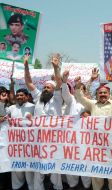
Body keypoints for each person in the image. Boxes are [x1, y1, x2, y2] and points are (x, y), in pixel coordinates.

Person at [75, 70, 112, 190]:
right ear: (97, 95)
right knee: (96, 173)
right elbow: (79, 97)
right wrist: (90, 81)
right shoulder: (92, 104)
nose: (102, 94)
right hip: (95, 145)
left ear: (109, 94)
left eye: (105, 93)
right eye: (100, 93)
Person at [23, 54, 63, 190]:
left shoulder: (57, 98)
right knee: (38, 168)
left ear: (53, 90)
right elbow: (28, 82)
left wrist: (56, 67)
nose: (45, 89)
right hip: (38, 139)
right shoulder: (39, 97)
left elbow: (59, 82)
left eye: (48, 87)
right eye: (44, 87)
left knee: (54, 169)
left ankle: (58, 187)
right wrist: (26, 66)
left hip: (54, 140)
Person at [5, 88, 35, 190]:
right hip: (15, 144)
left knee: (29, 167)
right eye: (17, 95)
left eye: (21, 95)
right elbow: (3, 115)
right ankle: (17, 186)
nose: (19, 97)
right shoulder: (11, 108)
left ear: (27, 96)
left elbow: (39, 121)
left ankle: (31, 186)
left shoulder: (33, 107)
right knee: (16, 166)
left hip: (29, 143)